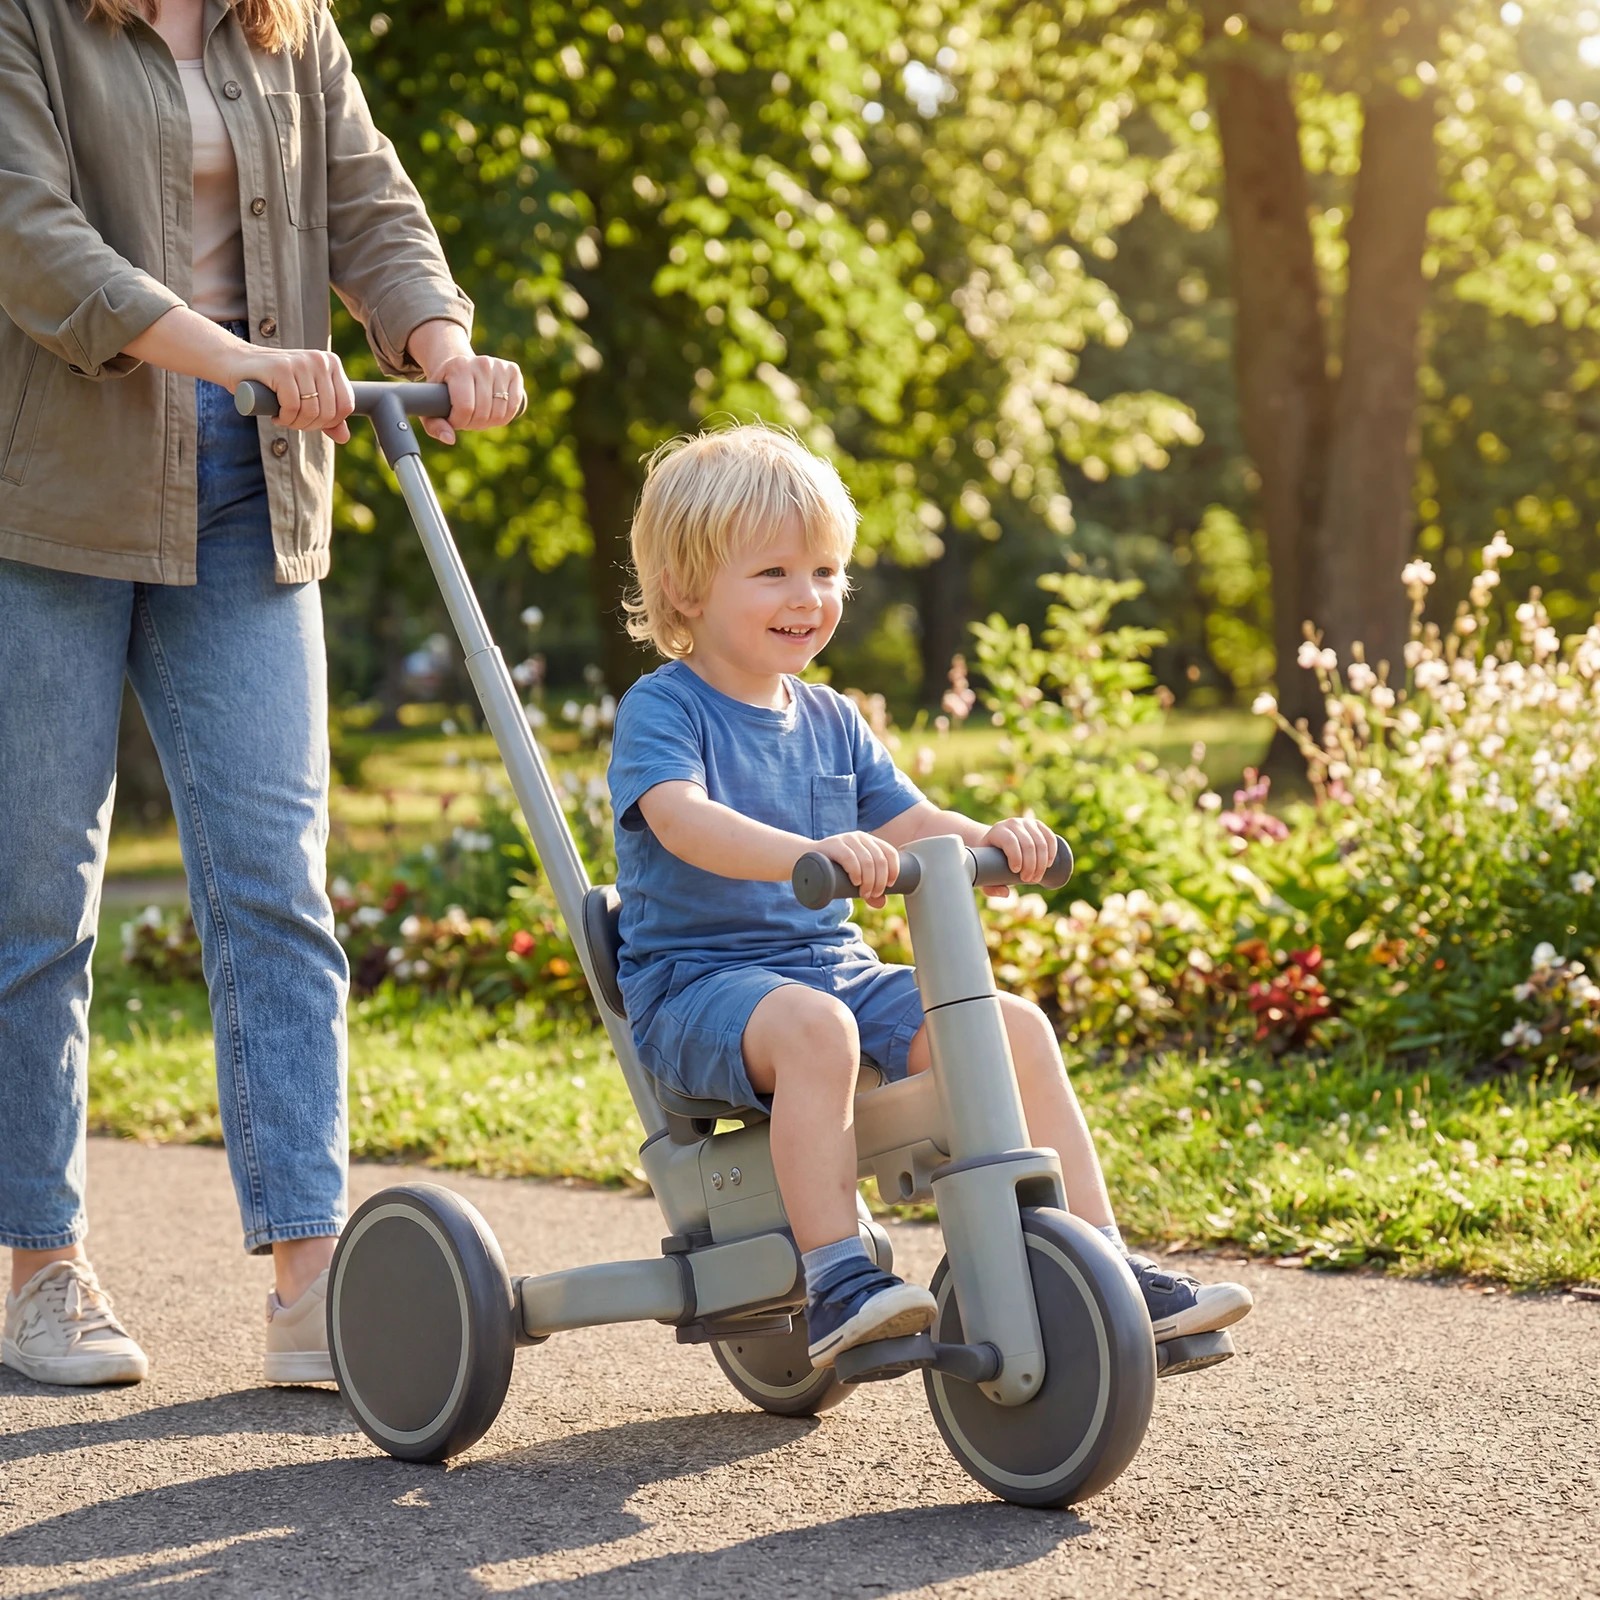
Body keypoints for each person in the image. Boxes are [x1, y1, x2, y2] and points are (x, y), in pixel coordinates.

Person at [0, 0, 523, 1388]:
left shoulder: (286, 27)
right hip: (49, 495)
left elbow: (370, 204)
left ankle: (309, 1286)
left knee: (274, 887)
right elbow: (31, 236)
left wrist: (439, 342)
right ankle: (43, 1273)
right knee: (38, 895)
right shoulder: (33, 21)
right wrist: (232, 357)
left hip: (252, 486)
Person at [607, 424, 1254, 1368]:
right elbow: (680, 818)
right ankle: (834, 1278)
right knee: (816, 1031)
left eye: (827, 571)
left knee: (1010, 1027)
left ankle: (1104, 1265)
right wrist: (808, 851)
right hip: (700, 987)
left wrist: (989, 838)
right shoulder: (667, 708)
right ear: (686, 590)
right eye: (775, 572)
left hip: (832, 971)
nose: (809, 598)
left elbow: (909, 821)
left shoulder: (833, 718)